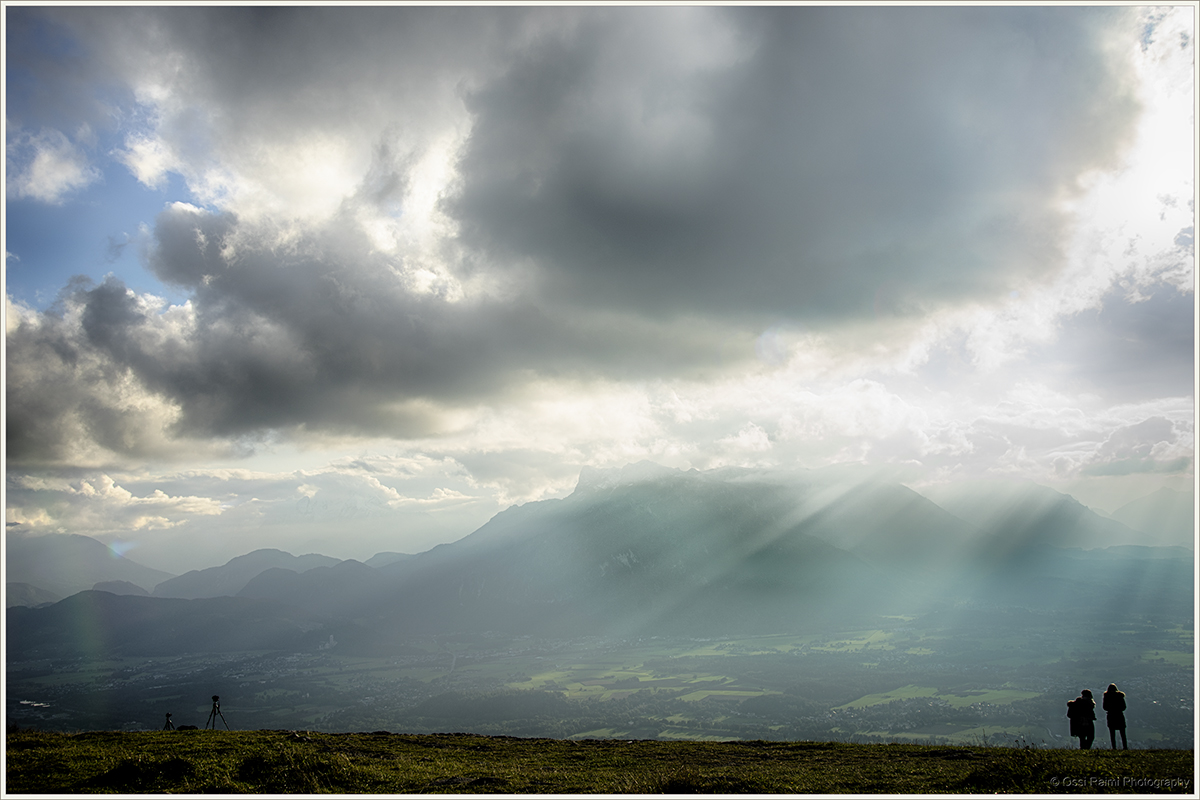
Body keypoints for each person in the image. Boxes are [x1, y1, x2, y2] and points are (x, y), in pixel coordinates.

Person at [1103, 683, 1127, 750]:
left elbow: (1105, 707)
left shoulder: (1106, 696)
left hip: (1111, 716)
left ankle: (1114, 747)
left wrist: (1111, 709)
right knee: (1122, 733)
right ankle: (1125, 747)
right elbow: (1124, 707)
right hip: (1119, 715)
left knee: (1112, 733)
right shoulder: (1120, 696)